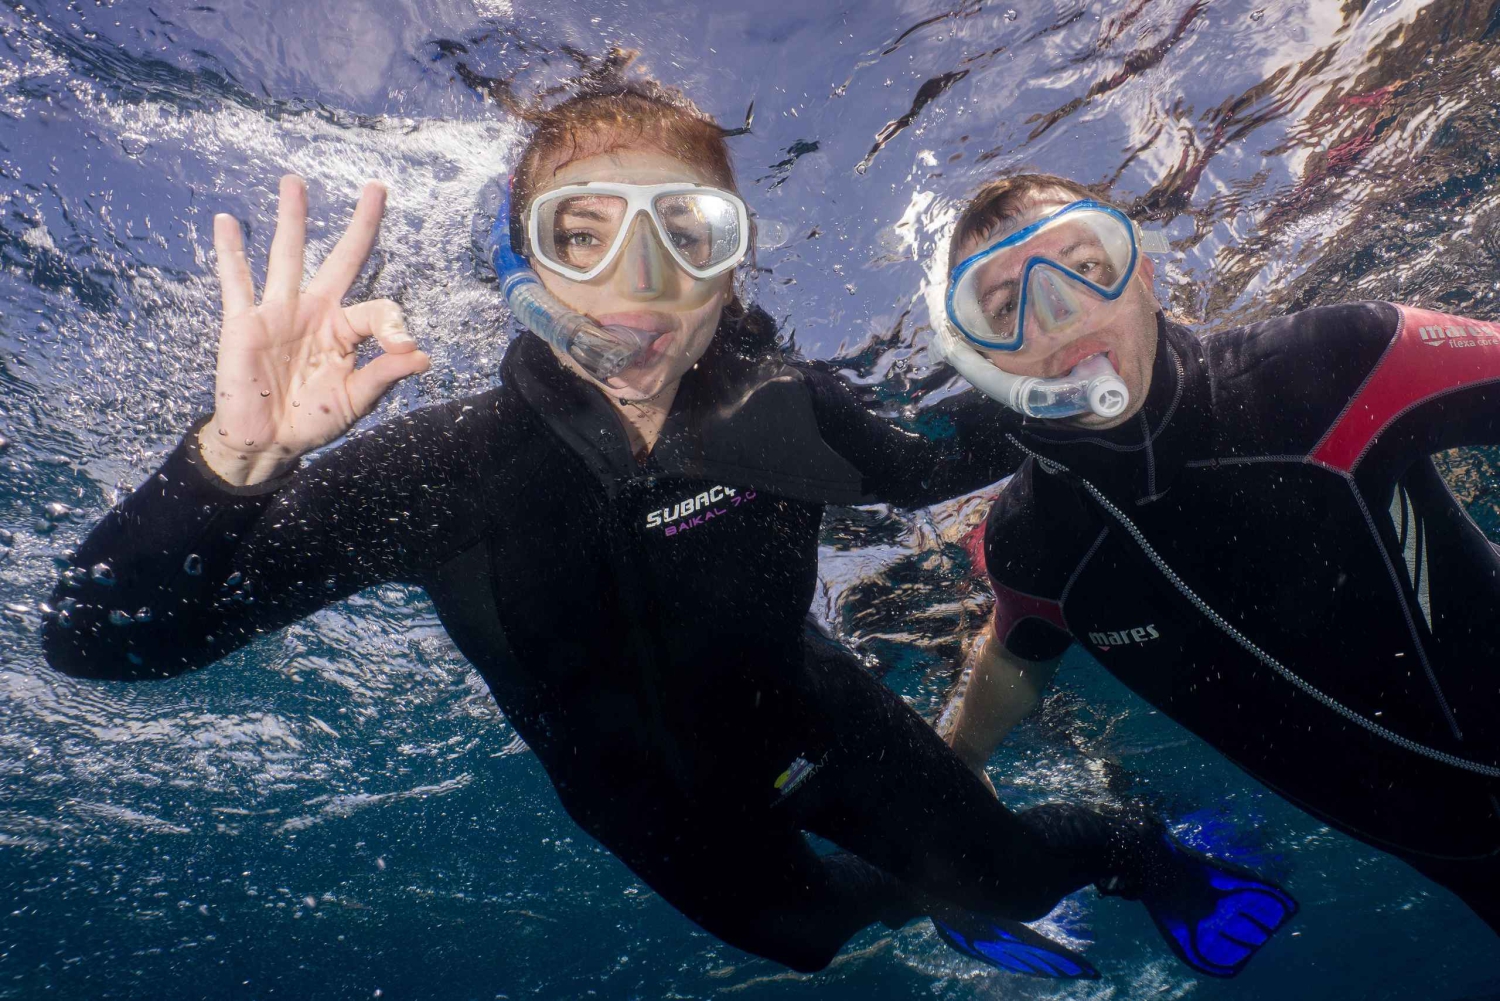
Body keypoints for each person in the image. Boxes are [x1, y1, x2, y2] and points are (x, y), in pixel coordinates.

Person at [39, 79, 1293, 981]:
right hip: (649, 804)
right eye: (583, 234)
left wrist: (1089, 344)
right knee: (815, 938)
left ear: (729, 273)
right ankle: (940, 892)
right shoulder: (442, 472)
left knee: (1013, 875)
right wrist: (229, 464)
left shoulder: (789, 414)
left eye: (684, 236)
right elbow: (99, 645)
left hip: (815, 723)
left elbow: (944, 456)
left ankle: (1137, 846)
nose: (638, 288)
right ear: (518, 269)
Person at [938, 171, 1500, 943]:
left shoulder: (1332, 365)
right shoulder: (1034, 545)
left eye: (1084, 263)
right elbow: (1014, 654)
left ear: (1143, 270)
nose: (1059, 316)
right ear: (978, 357)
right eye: (1005, 307)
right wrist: (956, 765)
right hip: (1465, 862)